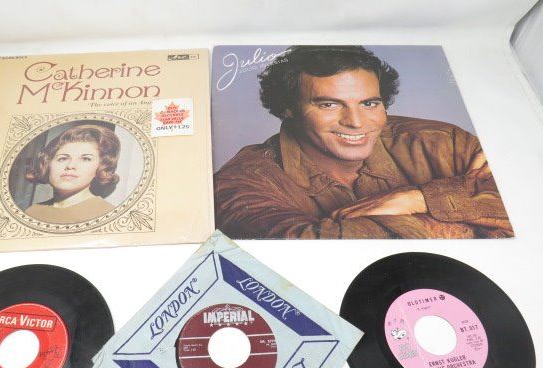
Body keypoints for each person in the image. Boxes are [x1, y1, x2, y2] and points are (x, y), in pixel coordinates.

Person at [214, 46, 513, 239]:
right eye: (329, 105)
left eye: (369, 103)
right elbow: (305, 245)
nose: (356, 122)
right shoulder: (241, 182)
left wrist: (417, 199)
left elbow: (524, 201)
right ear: (288, 108)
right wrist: (468, 217)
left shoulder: (443, 142)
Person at [25, 124, 120, 223]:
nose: (70, 166)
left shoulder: (109, 216)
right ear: (47, 164)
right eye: (63, 158)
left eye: (86, 159)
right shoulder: (32, 211)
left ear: (101, 167)